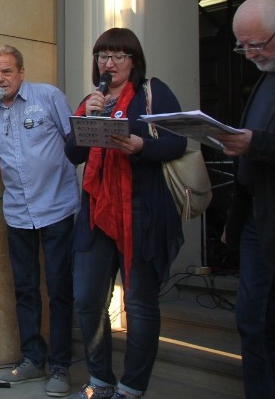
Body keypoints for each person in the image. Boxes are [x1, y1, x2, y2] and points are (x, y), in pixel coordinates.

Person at [64, 28, 187, 399]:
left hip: (140, 213)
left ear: (133, 61)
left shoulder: (153, 92)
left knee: (139, 303)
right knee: (86, 300)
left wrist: (140, 145)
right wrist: (89, 115)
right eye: (103, 56)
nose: (109, 63)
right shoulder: (92, 99)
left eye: (118, 55)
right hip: (96, 214)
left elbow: (177, 142)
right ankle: (100, 380)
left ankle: (132, 388)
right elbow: (73, 153)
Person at [0, 45, 79, 397]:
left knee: (60, 288)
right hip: (18, 212)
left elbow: (75, 144)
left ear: (21, 72)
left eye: (6, 71)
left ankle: (61, 365)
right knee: (25, 289)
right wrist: (14, 185)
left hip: (58, 208)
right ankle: (33, 359)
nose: (0, 78)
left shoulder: (48, 97)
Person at [218, 0, 275, 399]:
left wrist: (257, 144)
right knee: (252, 322)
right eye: (243, 46)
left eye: (257, 45)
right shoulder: (266, 77)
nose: (250, 54)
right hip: (257, 219)